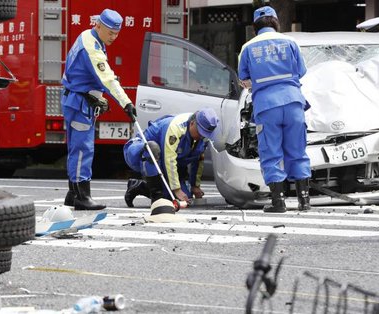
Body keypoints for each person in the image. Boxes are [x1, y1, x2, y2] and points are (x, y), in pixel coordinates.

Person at [237, 6, 311, 213]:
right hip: (294, 103)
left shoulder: (248, 47)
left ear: (255, 27)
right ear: (276, 23)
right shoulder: (290, 42)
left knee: (271, 152)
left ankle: (278, 202)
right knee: (297, 150)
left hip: (266, 106)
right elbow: (301, 72)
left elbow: (244, 79)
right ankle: (304, 201)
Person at [61, 9, 137, 211]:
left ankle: (72, 193)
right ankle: (82, 196)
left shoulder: (87, 35)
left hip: (75, 99)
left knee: (75, 149)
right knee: (82, 149)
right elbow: (107, 78)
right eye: (110, 32)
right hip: (80, 103)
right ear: (99, 25)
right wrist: (126, 103)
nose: (114, 37)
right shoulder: (92, 49)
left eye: (117, 33)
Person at [123, 109, 219, 207]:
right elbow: (169, 159)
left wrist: (195, 186)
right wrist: (176, 189)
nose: (202, 136)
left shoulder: (203, 137)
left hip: (163, 162)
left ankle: (139, 186)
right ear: (192, 123)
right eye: (201, 132)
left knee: (185, 196)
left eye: (205, 134)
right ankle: (157, 198)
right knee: (153, 148)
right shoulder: (175, 127)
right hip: (138, 151)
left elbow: (198, 159)